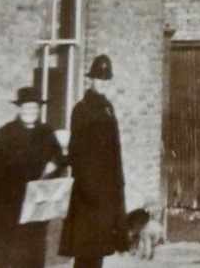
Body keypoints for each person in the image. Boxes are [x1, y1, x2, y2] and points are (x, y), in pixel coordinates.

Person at [0, 87, 63, 268]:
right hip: (8, 198)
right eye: (27, 108)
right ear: (19, 109)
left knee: (31, 245)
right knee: (1, 245)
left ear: (39, 109)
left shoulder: (46, 132)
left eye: (34, 108)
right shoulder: (6, 133)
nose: (30, 112)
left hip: (35, 199)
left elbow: (60, 159)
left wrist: (54, 166)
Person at [59, 54, 129, 268]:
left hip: (107, 190)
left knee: (98, 249)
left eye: (107, 79)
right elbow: (76, 151)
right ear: (91, 80)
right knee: (86, 250)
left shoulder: (107, 108)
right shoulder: (82, 109)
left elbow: (113, 152)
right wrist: (90, 189)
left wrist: (118, 184)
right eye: (99, 79)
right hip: (89, 193)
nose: (103, 83)